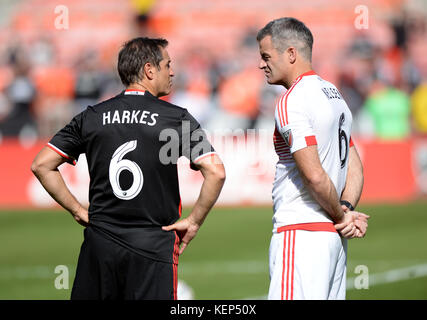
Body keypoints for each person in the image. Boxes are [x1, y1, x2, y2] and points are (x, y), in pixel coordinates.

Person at [31, 37, 226, 300]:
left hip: (100, 243)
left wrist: (77, 210)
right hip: (153, 245)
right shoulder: (175, 117)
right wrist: (194, 221)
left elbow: (42, 164)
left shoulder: (92, 116)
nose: (172, 71)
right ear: (149, 70)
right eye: (167, 64)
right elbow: (216, 172)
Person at [256, 17, 369, 300]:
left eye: (266, 56)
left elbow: (315, 176)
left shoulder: (292, 100)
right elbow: (354, 163)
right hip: (333, 239)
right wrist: (345, 209)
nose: (261, 64)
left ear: (291, 53)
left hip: (301, 231)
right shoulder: (334, 95)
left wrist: (341, 214)